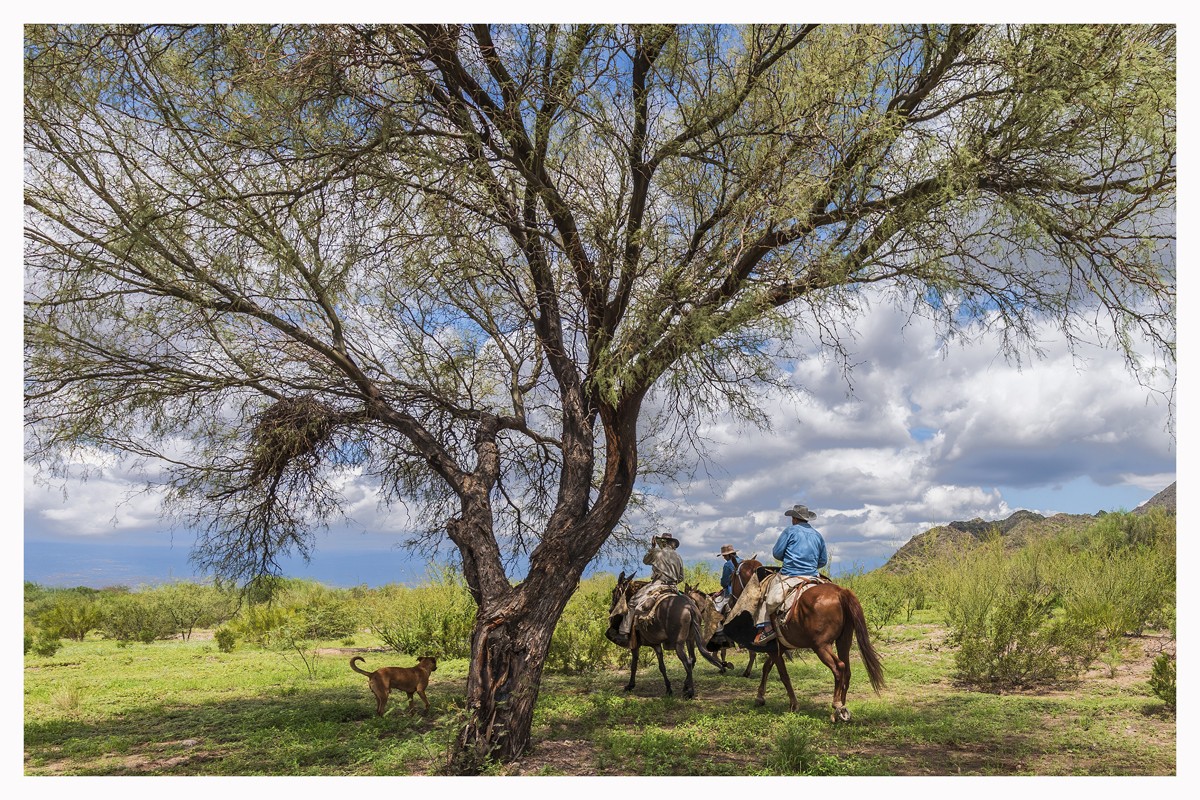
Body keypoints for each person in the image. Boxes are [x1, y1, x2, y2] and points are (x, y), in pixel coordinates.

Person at [754, 503, 828, 645]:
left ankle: (767, 629)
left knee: (766, 595)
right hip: (813, 576)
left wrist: (790, 559)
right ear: (807, 519)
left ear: (794, 519)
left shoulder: (790, 531)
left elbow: (777, 553)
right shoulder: (818, 535)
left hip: (790, 574)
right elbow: (823, 560)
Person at [615, 533, 684, 644]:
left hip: (658, 584)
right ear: (673, 544)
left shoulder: (657, 552)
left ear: (663, 542)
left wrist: (652, 548)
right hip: (673, 587)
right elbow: (681, 577)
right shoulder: (678, 556)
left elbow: (645, 561)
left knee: (632, 602)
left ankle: (624, 632)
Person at [715, 544, 740, 614]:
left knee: (717, 609)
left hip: (731, 593)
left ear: (729, 555)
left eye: (724, 556)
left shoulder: (727, 565)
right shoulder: (743, 562)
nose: (724, 558)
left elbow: (724, 582)